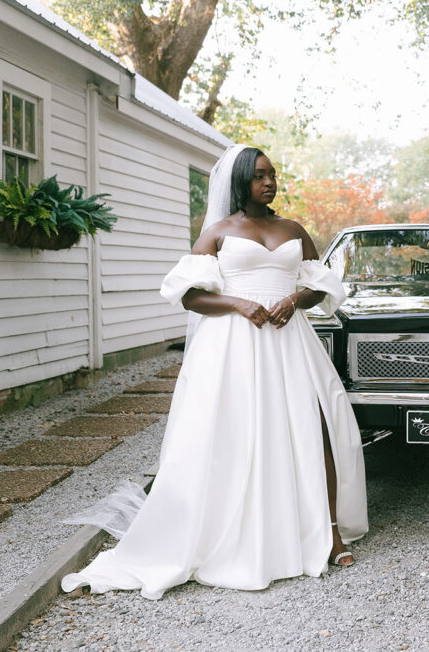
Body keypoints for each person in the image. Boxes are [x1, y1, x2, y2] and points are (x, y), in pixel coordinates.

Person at [61, 144, 368, 600]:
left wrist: (291, 300)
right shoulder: (218, 233)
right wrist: (237, 303)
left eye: (274, 174)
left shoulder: (293, 229)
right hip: (235, 344)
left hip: (289, 341)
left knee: (313, 428)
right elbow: (188, 297)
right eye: (261, 175)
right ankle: (244, 534)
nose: (270, 182)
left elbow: (318, 285)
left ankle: (329, 532)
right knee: (234, 435)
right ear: (241, 180)